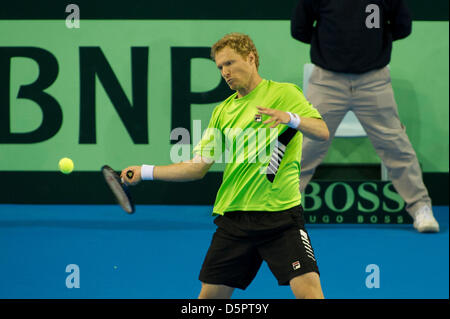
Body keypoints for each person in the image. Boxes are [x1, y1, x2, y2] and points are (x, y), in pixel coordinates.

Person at [121, 33, 329, 298]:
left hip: (281, 216)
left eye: (230, 63)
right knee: (208, 301)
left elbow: (322, 131)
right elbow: (197, 167)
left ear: (251, 58)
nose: (225, 72)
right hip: (234, 220)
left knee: (310, 291)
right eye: (220, 67)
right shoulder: (222, 112)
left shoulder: (283, 93)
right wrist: (145, 171)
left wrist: (289, 118)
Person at [291, 0, 439, 233]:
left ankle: (421, 208)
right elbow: (299, 29)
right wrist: (331, 48)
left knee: (396, 145)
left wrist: (375, 44)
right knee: (305, 145)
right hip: (327, 81)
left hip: (374, 81)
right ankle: (279, 209)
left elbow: (403, 26)